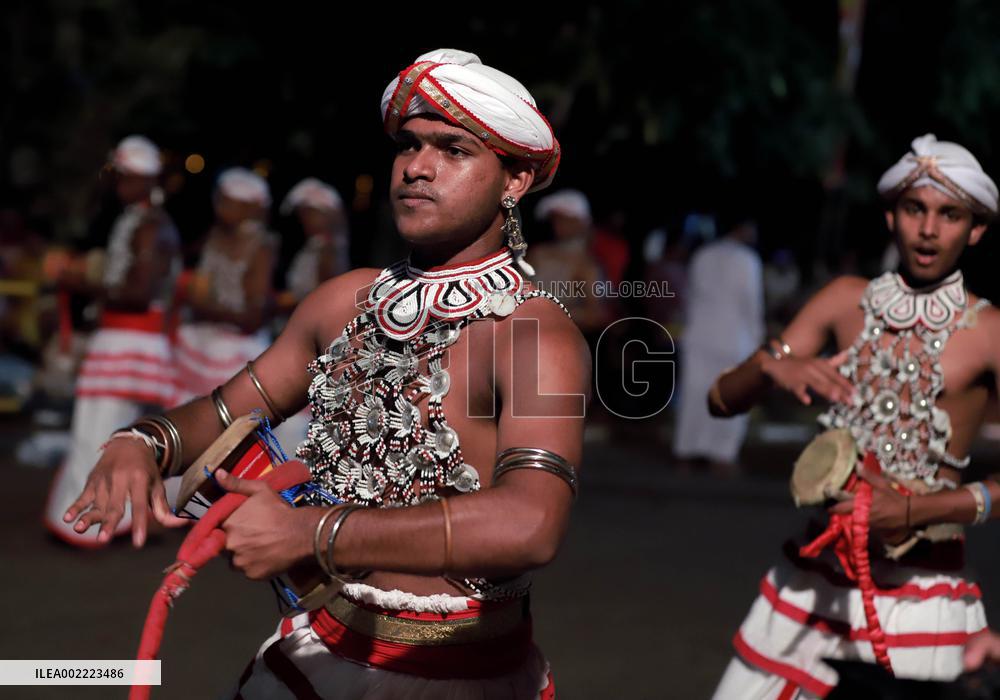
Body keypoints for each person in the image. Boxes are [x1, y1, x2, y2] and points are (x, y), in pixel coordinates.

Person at [64, 48, 589, 699]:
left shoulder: (536, 330)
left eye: (453, 151)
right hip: (315, 653)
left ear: (514, 182)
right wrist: (140, 443)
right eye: (409, 146)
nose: (416, 168)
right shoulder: (344, 301)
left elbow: (531, 524)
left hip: (458, 678)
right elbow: (226, 413)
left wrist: (310, 533)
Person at [710, 134, 1000, 698]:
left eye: (950, 214)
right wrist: (771, 366)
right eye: (915, 209)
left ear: (976, 228)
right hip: (813, 579)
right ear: (892, 216)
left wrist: (918, 509)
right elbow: (720, 400)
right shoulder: (845, 299)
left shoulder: (989, 333)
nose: (929, 229)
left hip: (923, 590)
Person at [44, 135, 181, 546]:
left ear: (144, 179)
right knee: (113, 432)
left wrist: (81, 283)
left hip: (129, 340)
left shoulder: (149, 225)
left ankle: (92, 523)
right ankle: (114, 519)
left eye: (123, 176)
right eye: (115, 175)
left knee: (101, 433)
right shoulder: (138, 219)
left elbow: (138, 293)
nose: (116, 183)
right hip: (125, 338)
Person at [173, 167, 276, 404]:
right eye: (220, 201)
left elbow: (253, 317)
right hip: (202, 341)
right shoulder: (215, 235)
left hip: (235, 349)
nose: (220, 208)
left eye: (229, 203)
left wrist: (205, 309)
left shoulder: (261, 247)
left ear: (251, 208)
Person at [673, 217, 764, 471]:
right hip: (735, 337)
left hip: (700, 333)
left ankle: (687, 449)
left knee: (695, 393)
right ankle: (721, 454)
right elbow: (751, 303)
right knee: (731, 394)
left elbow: (690, 295)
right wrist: (758, 339)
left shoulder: (703, 255)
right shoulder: (747, 259)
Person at [530, 189, 608, 335]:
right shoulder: (538, 254)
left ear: (581, 222)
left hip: (557, 340)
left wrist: (550, 314)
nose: (559, 225)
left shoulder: (587, 265)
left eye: (566, 219)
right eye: (556, 219)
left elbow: (595, 315)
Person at [280, 177, 351, 304]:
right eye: (302, 214)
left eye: (309, 213)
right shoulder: (316, 245)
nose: (303, 220)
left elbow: (323, 299)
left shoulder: (328, 249)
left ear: (327, 214)